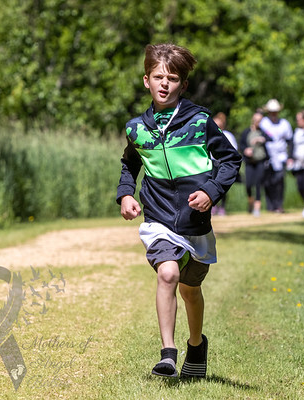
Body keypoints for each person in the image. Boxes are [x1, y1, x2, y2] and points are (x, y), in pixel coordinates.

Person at [116, 43, 242, 379]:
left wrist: (211, 191)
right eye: (158, 77)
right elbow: (130, 164)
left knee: (190, 289)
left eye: (172, 79)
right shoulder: (136, 128)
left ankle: (196, 345)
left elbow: (231, 160)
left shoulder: (200, 121)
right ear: (146, 80)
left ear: (183, 85)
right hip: (158, 216)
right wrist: (126, 194)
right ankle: (168, 354)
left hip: (194, 222)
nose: (164, 84)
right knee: (168, 273)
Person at [259, 99, 293, 213]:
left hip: (281, 156)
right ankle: (270, 205)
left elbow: (290, 140)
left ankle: (279, 204)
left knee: (279, 180)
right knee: (268, 181)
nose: (273, 114)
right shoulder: (263, 123)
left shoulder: (284, 124)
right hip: (267, 156)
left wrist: (290, 156)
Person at [239, 111, 270, 217]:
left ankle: (257, 207)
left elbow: (271, 138)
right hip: (249, 162)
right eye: (257, 120)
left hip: (260, 161)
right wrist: (245, 150)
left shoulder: (262, 132)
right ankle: (250, 202)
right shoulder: (246, 132)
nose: (258, 122)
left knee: (258, 183)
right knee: (248, 184)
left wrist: (261, 139)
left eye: (260, 120)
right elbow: (241, 145)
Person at [211, 112, 239, 216]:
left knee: (222, 185)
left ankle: (222, 207)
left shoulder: (228, 135)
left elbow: (234, 149)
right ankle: (213, 206)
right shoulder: (210, 134)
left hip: (223, 163)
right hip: (212, 163)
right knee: (212, 185)